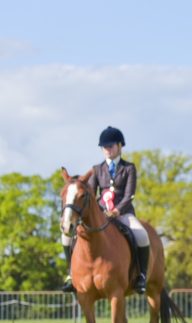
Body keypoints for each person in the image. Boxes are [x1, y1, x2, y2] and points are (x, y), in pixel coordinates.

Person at [61, 126, 151, 294]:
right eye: (104, 147)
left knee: (142, 235)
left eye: (111, 146)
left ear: (119, 146)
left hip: (123, 213)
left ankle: (141, 276)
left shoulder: (129, 168)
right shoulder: (97, 169)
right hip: (101, 214)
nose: (107, 149)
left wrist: (117, 210)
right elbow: (91, 194)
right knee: (66, 237)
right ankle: (70, 274)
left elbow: (129, 195)